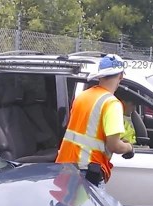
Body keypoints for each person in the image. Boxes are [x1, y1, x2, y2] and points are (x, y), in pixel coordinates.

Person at [56, 53, 135, 185]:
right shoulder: (112, 104)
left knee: (67, 205)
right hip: (87, 172)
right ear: (121, 76)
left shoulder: (83, 96)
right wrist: (129, 148)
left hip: (67, 167)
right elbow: (114, 146)